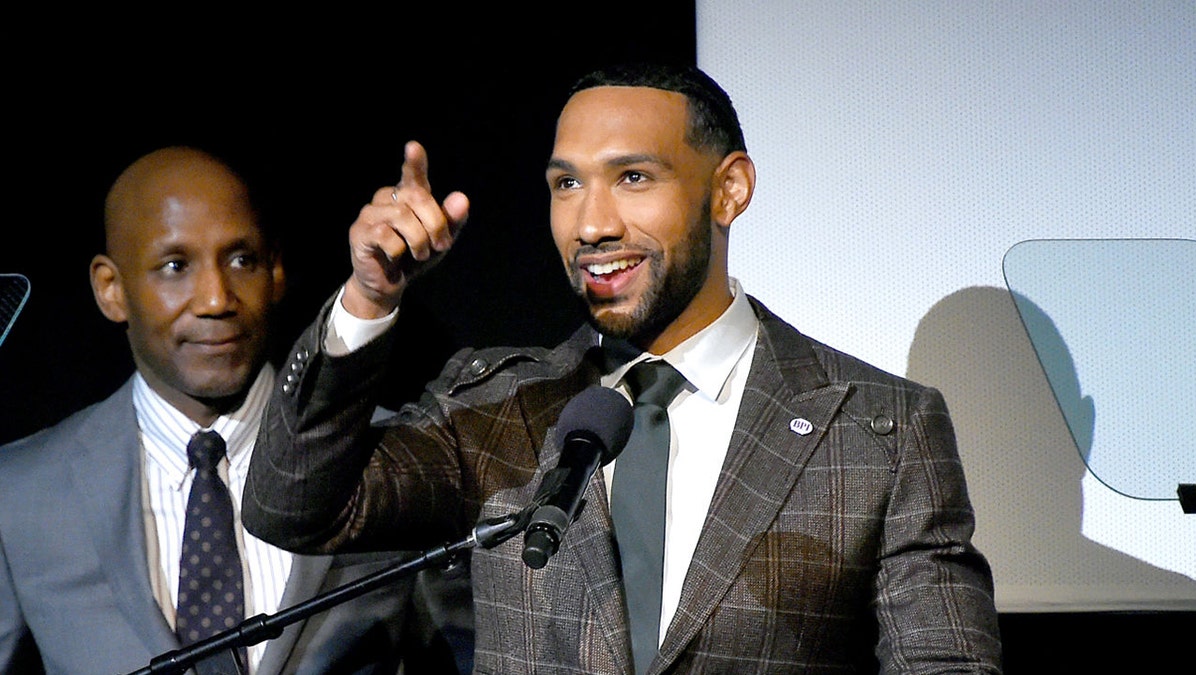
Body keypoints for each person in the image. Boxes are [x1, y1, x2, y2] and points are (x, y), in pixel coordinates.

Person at [242, 63, 1004, 673]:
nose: (593, 223)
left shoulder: (880, 429)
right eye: (566, 184)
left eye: (633, 177)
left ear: (729, 188)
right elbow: (294, 505)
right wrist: (369, 299)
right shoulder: (500, 405)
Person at [0, 146, 467, 674]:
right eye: (175, 266)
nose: (216, 298)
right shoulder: (18, 493)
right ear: (112, 290)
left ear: (276, 272)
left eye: (242, 260)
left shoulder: (397, 461)